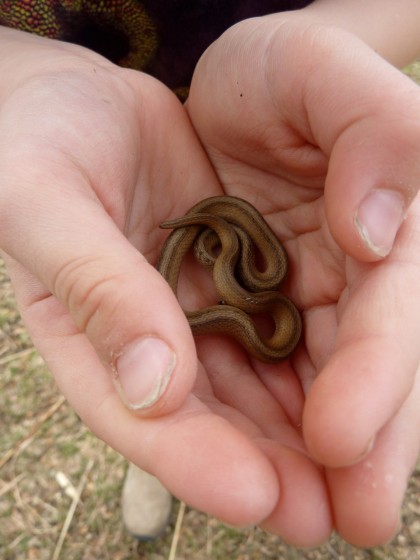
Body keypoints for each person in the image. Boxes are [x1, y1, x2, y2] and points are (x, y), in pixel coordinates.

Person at [0, 0, 419, 549]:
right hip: (105, 118)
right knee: (158, 386)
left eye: (202, 241)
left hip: (251, 102)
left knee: (172, 384)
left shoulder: (245, 269)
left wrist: (318, 44)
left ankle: (168, 413)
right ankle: (151, 455)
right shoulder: (222, 252)